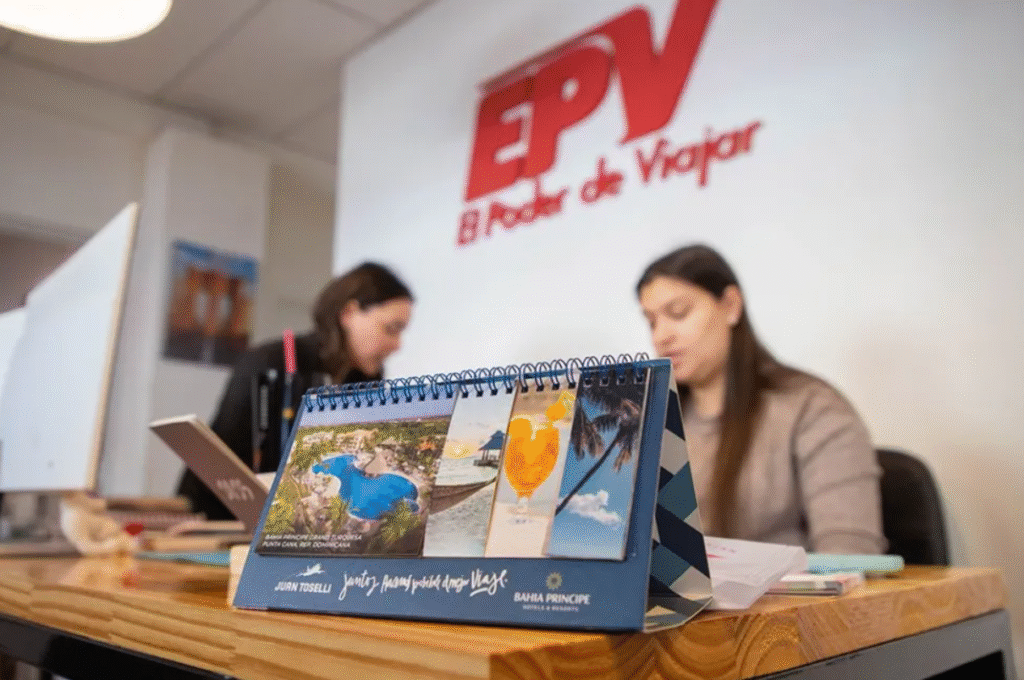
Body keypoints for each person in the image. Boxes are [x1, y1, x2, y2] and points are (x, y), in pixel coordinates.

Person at [636, 244, 885, 554]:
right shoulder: (652, 421)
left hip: (790, 587)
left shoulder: (811, 408)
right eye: (651, 321)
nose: (661, 336)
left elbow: (850, 552)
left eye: (678, 313)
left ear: (731, 305)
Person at [177, 262, 414, 520]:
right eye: (392, 328)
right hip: (224, 522)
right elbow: (219, 461)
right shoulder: (270, 362)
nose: (398, 345)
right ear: (349, 313)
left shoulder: (367, 379)